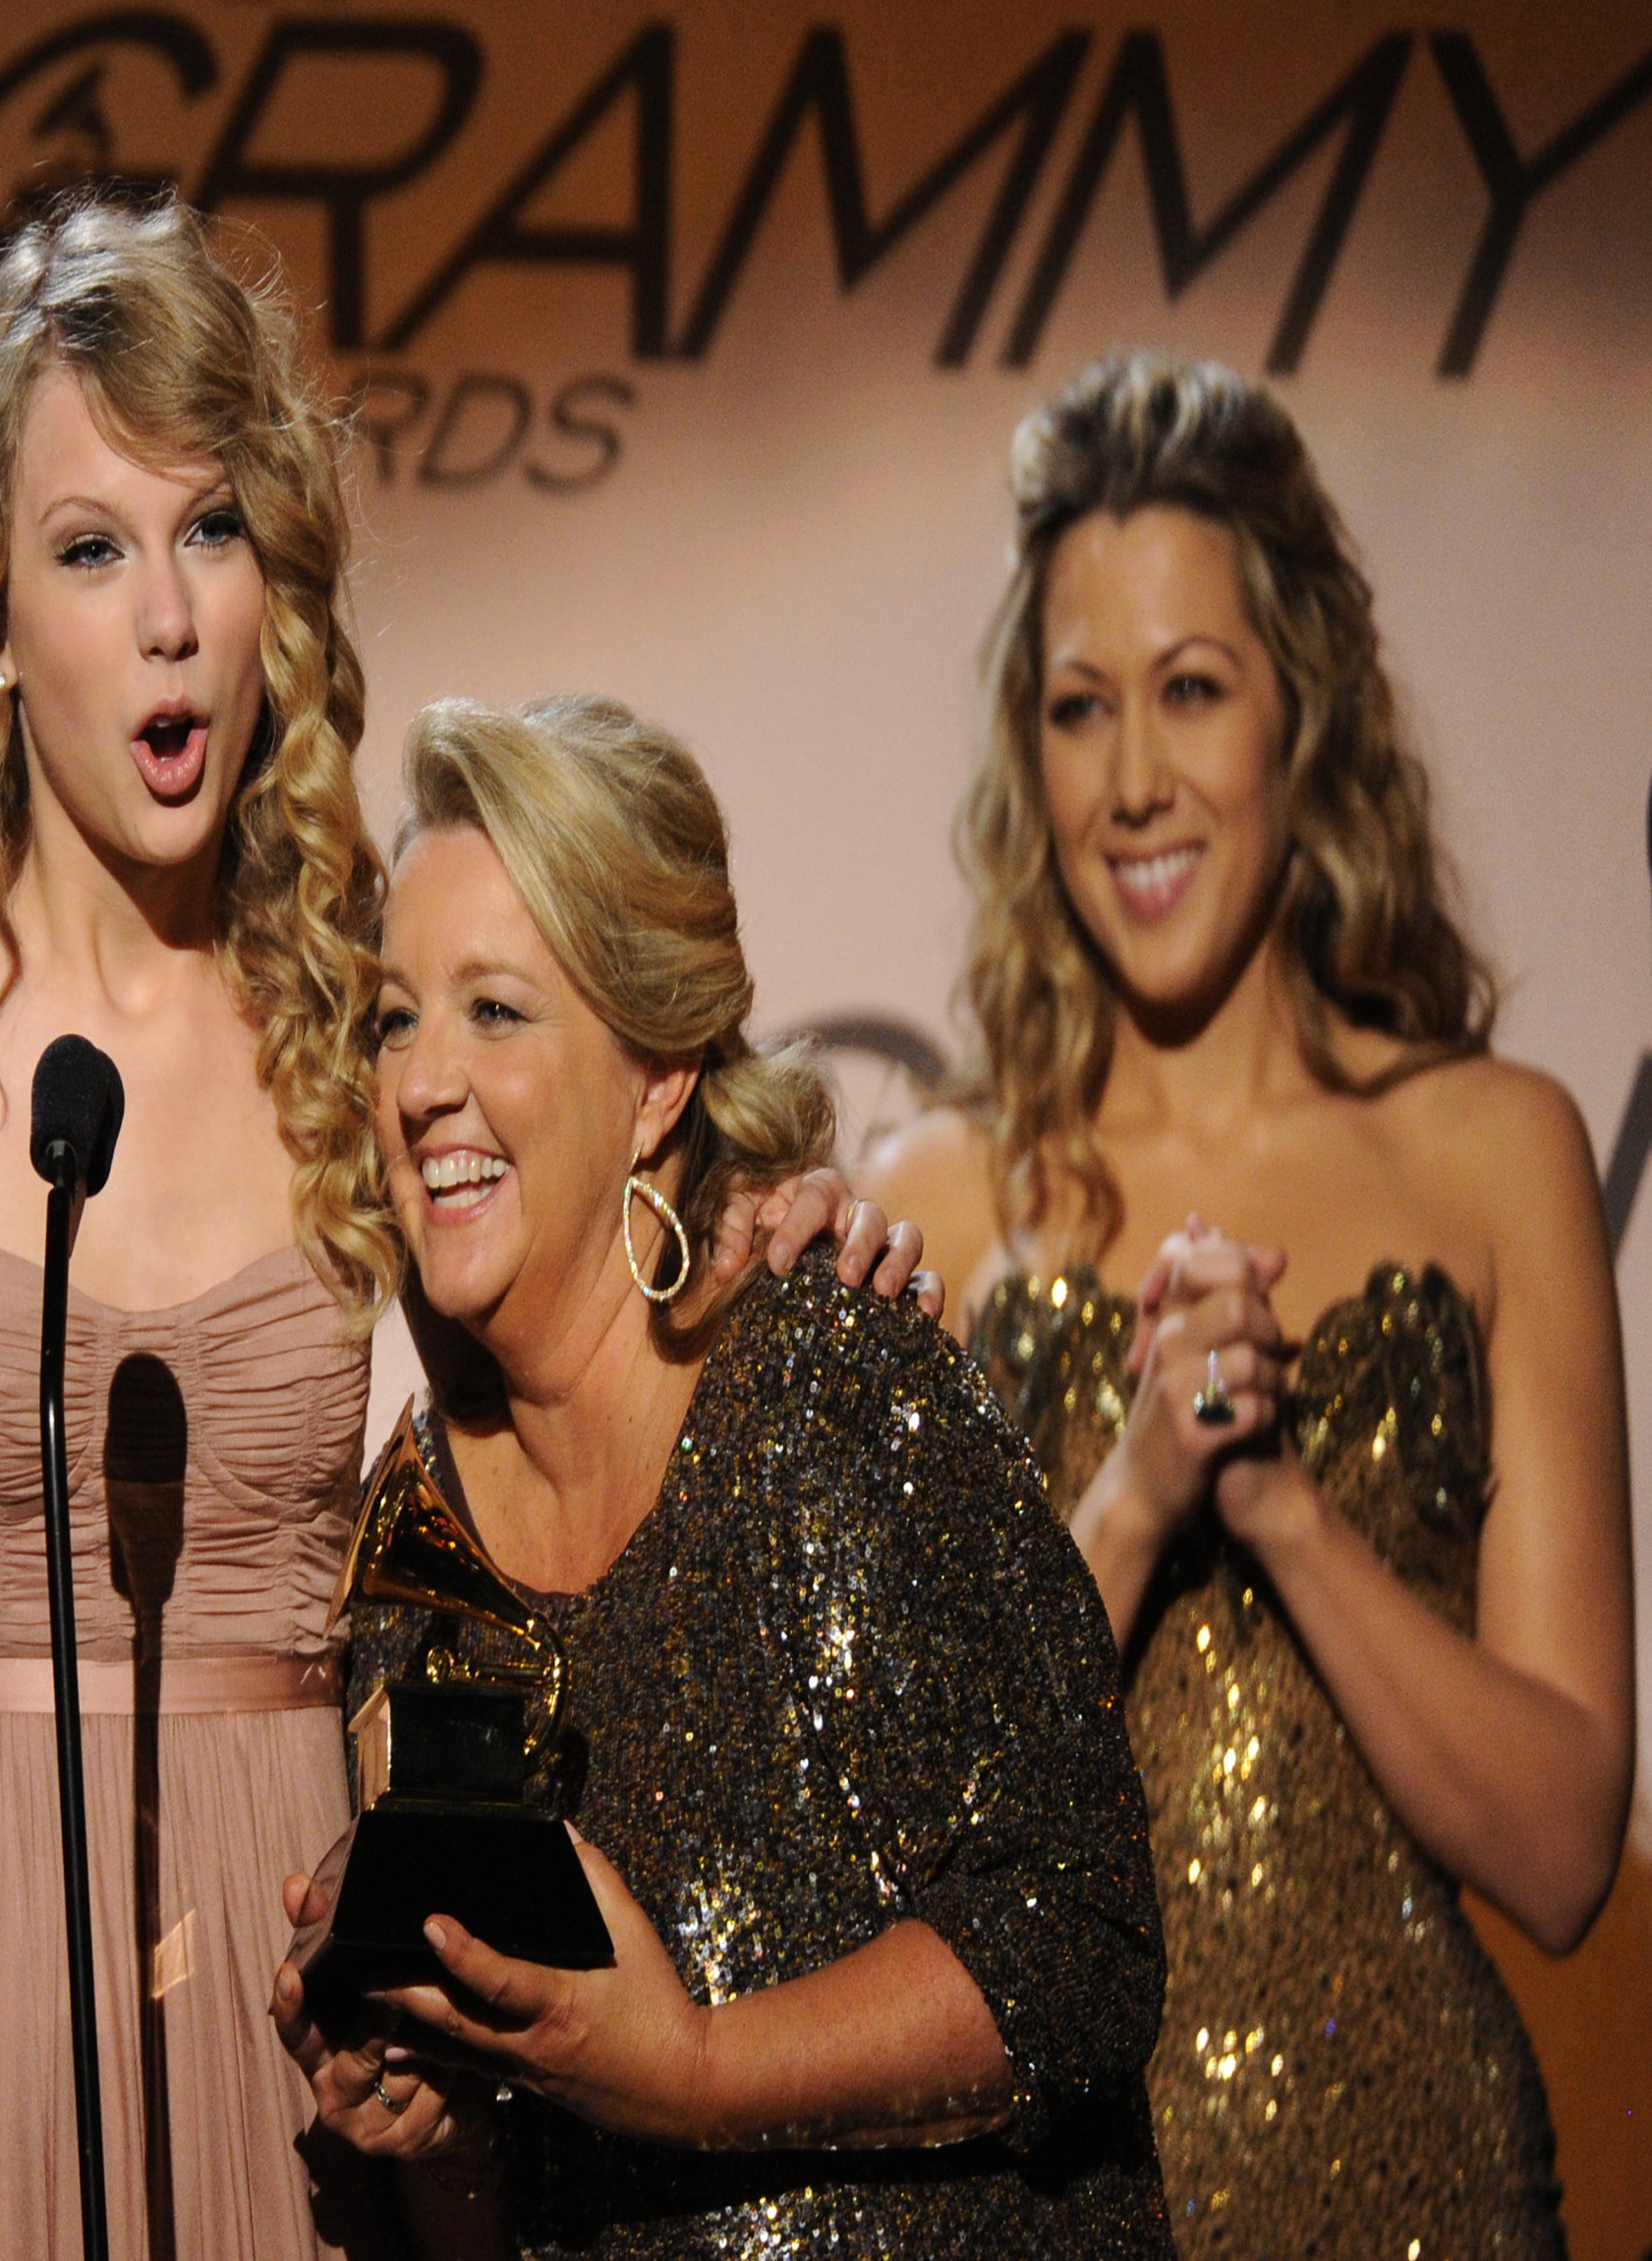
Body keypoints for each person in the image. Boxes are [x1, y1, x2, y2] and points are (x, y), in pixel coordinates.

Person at [0, 195, 916, 2261]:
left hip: (293, 2039)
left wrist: (758, 1222)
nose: (170, 612)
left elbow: (587, 1309)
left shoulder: (359, 1007)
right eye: (92, 549)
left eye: (210, 532)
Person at [866, 350, 1635, 2253]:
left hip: (1427, 2199)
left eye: (1191, 690)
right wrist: (1132, 1487)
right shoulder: (943, 1203)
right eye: (1078, 705)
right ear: (1024, 755)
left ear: (1301, 710)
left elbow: (1556, 1852)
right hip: (1047, 2206)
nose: (1133, 778)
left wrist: (1278, 1498)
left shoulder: (1494, 1154)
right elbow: (898, 1855)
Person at [273, 693, 1174, 2257]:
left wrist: (691, 2072)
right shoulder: (415, 1557)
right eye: (393, 1018)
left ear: (658, 1077)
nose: (421, 1085)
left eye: (496, 1011)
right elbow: (500, 2185)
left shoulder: (836, 1384)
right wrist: (415, 2093)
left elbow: (1082, 1939)